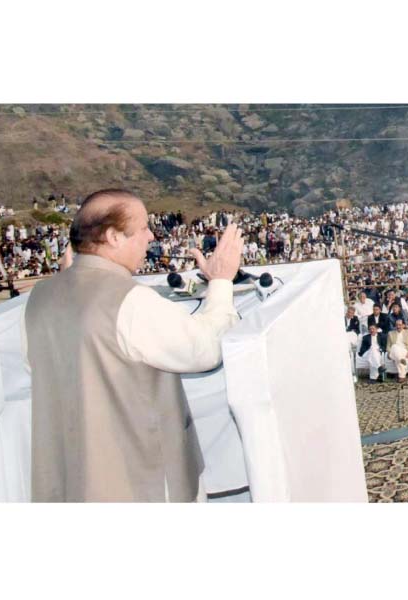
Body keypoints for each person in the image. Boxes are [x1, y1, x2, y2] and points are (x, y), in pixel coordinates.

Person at [23, 189, 243, 502]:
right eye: (142, 228)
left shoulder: (40, 298)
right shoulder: (129, 301)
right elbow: (205, 349)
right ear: (113, 236)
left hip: (70, 476)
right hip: (139, 478)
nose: (151, 235)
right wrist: (221, 281)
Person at [387, 318, 408, 383]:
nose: (398, 326)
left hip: (404, 350)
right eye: (397, 325)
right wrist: (389, 352)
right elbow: (388, 346)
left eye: (400, 325)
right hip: (394, 350)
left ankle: (400, 361)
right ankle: (402, 376)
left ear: (403, 325)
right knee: (394, 346)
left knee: (396, 351)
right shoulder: (390, 333)